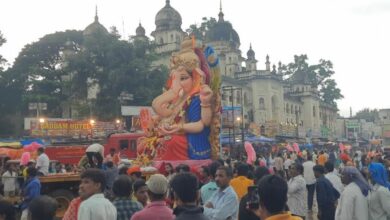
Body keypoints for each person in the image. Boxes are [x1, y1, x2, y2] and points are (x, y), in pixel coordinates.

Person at [151, 37, 217, 160]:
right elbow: (168, 114)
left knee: (169, 142)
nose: (179, 84)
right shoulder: (179, 98)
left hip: (190, 140)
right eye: (176, 79)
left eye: (184, 78)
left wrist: (179, 127)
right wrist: (158, 121)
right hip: (175, 134)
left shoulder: (197, 97)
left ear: (195, 78)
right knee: (147, 141)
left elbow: (203, 124)